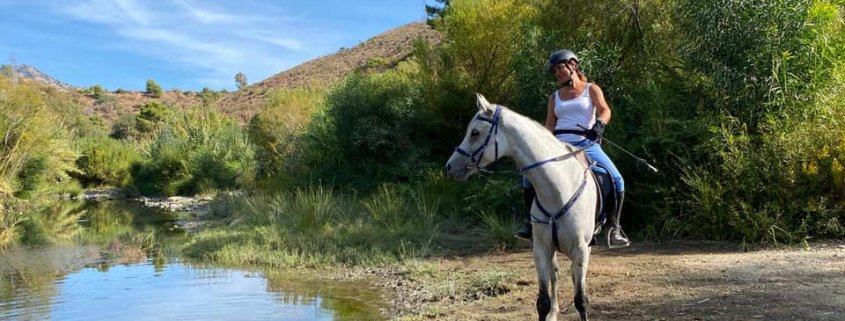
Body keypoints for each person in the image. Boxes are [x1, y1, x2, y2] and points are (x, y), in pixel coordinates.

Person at [515, 49, 630, 248]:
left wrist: (600, 124)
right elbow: (550, 125)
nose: (557, 74)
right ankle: (529, 223)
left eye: (559, 69)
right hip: (559, 145)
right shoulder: (555, 97)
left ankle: (614, 228)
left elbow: (605, 110)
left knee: (617, 178)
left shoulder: (591, 89)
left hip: (586, 144)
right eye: (554, 71)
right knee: (527, 177)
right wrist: (538, 144)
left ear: (572, 65)